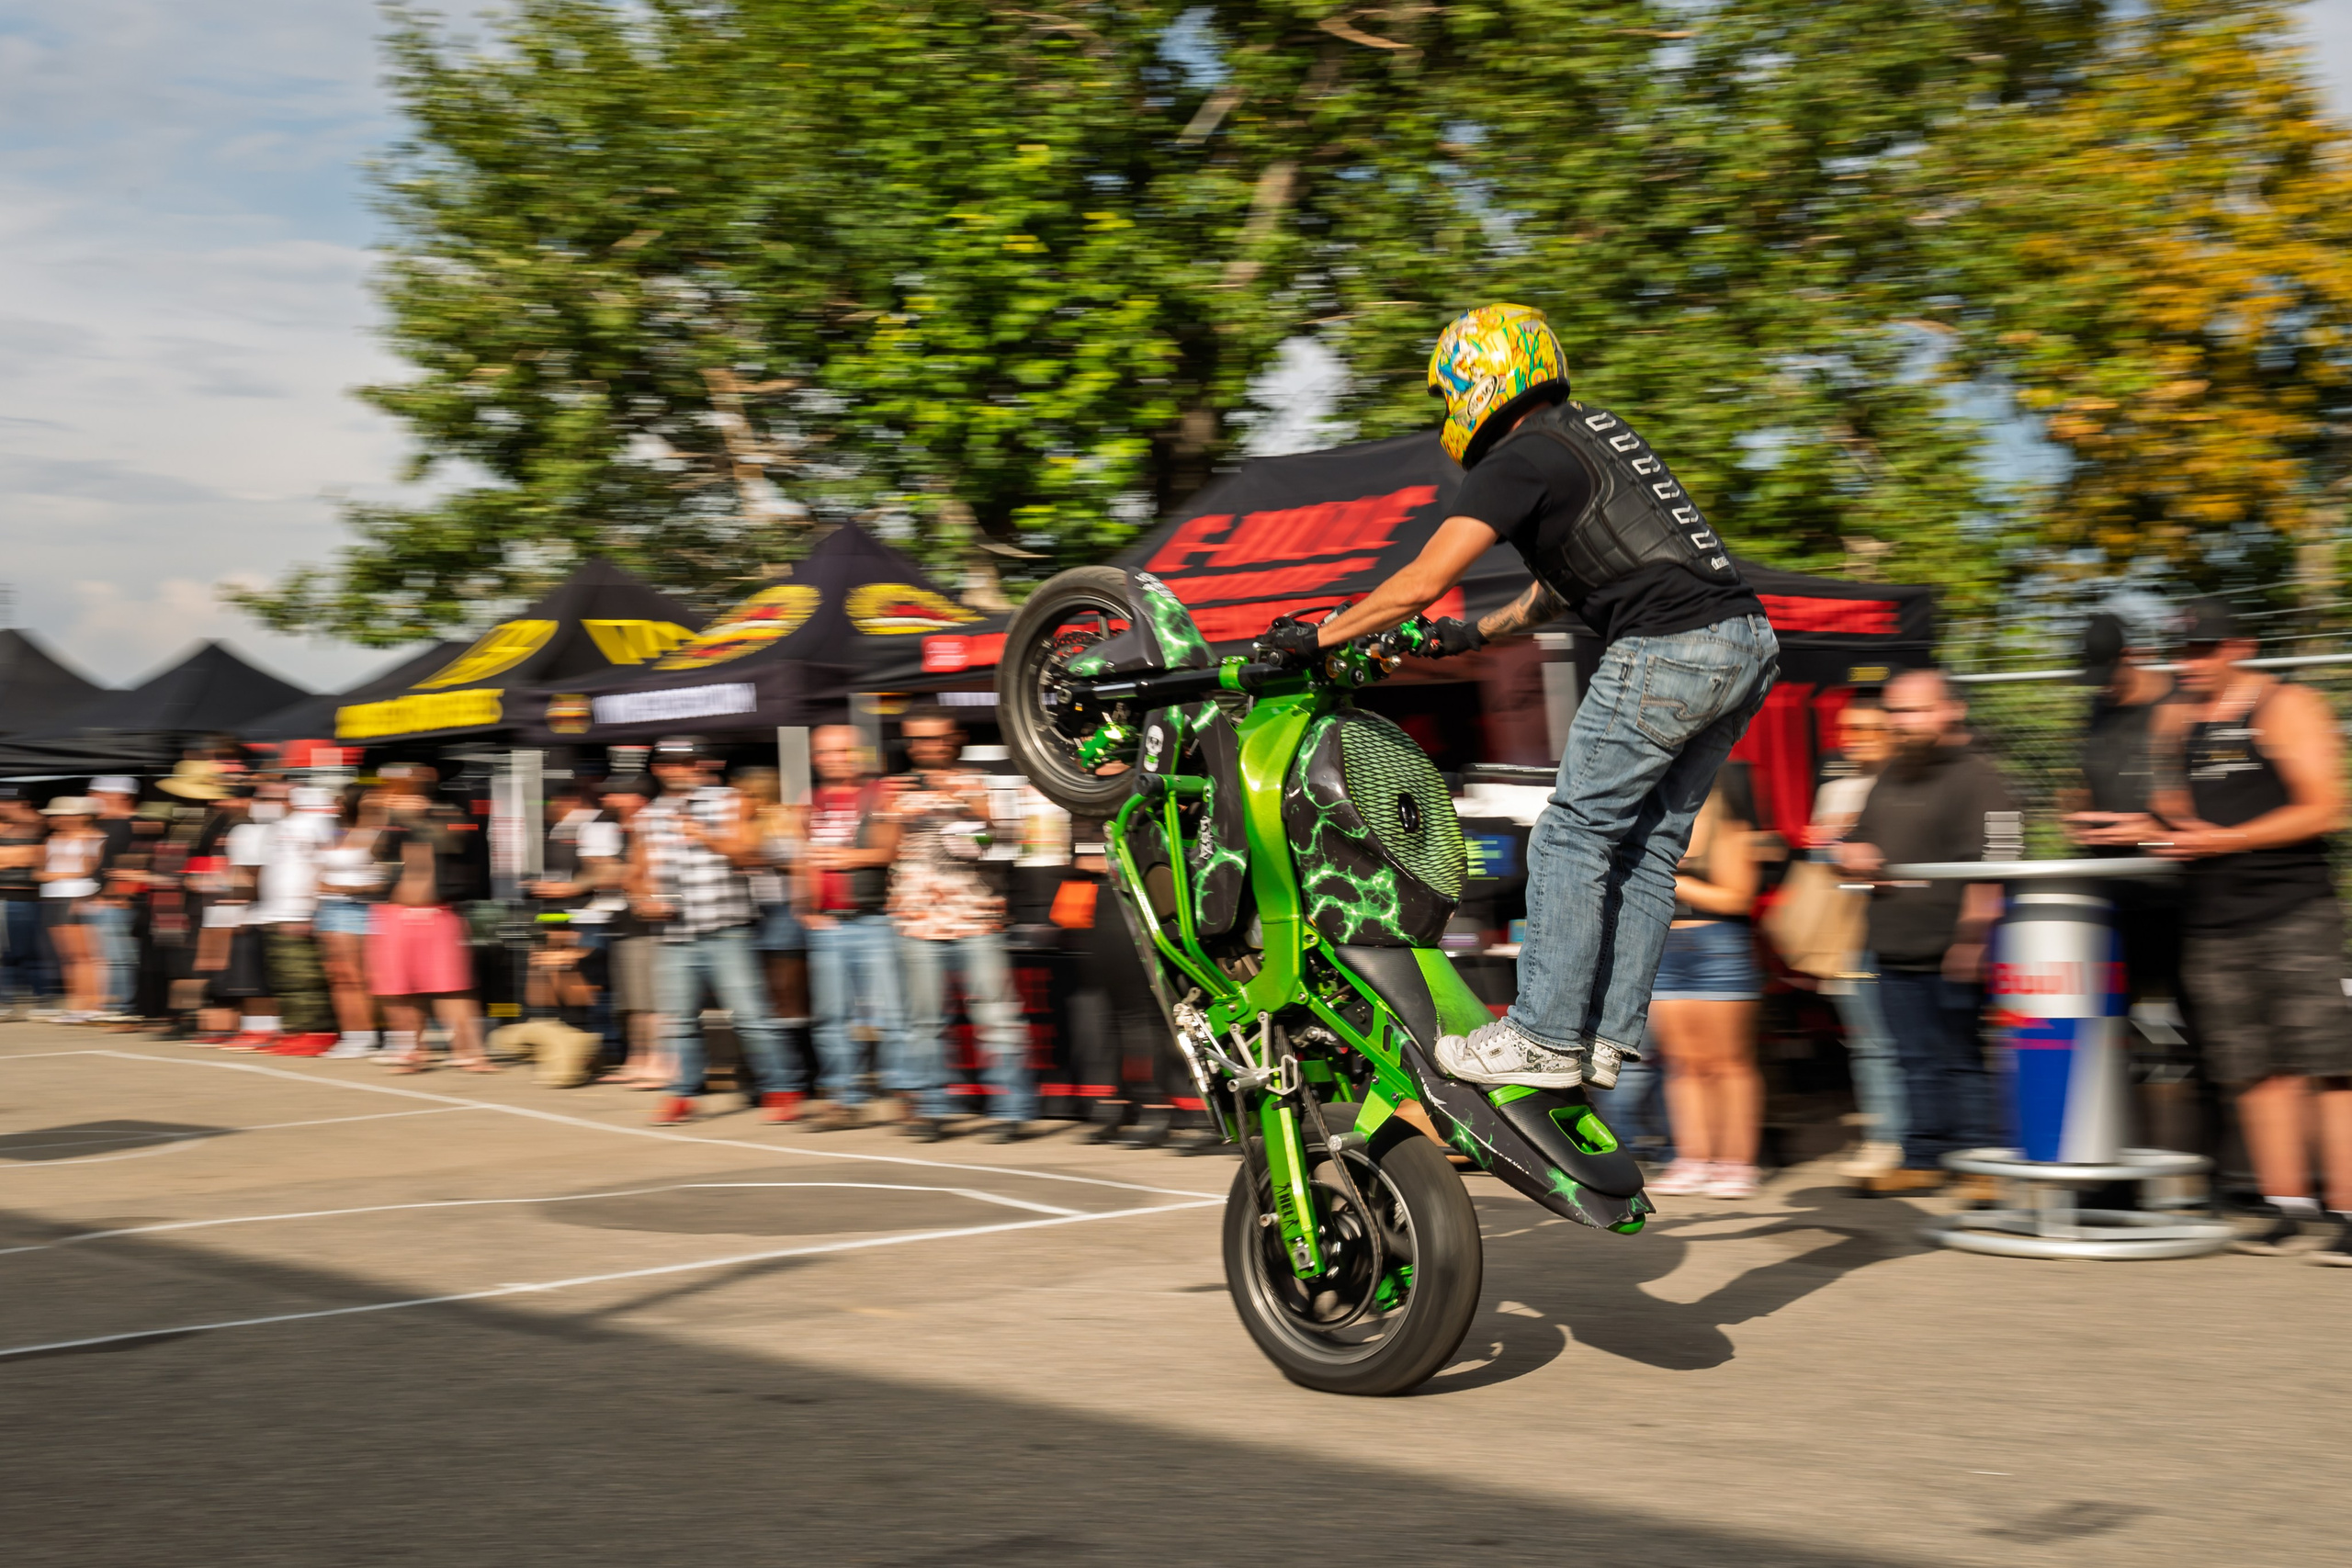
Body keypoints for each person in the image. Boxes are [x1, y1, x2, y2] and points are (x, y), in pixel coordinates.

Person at [1280, 303, 1777, 1091]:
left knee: (1570, 834)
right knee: (1646, 847)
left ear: (1480, 381)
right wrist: (1475, 634)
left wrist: (1319, 637)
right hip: (1743, 640)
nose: (1450, 414)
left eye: (1450, 396)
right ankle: (1606, 1038)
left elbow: (1418, 582)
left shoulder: (1515, 460)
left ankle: (1543, 1035)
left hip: (1667, 644)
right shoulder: (1591, 432)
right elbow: (1567, 582)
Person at [2077, 598, 2352, 1264]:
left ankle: (2346, 1209)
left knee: (2332, 1066)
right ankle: (2287, 1206)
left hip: (2295, 914)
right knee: (2254, 1072)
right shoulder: (2176, 718)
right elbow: (2176, 814)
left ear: (2239, 647)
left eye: (2204, 651)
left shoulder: (2286, 706)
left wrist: (2230, 839)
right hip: (2211, 920)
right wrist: (2141, 829)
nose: (2191, 664)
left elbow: (2327, 806)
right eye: (2183, 652)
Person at [1838, 670, 2019, 1194]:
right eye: (1895, 713)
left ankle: (1983, 1163)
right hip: (1893, 944)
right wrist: (1851, 856)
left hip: (1954, 946)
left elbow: (1998, 863)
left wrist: (1974, 938)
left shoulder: (1980, 777)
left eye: (1914, 711)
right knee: (1914, 1060)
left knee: (1963, 1059)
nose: (1901, 722)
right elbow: (1850, 846)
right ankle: (1924, 1157)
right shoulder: (1890, 775)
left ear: (1950, 710)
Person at [628, 736, 797, 1124]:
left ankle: (782, 1088)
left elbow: (747, 854)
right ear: (658, 769)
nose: (682, 770)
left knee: (753, 1016)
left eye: (690, 763)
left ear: (704, 765)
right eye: (671, 764)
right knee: (678, 1021)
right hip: (674, 935)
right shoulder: (649, 815)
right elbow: (636, 874)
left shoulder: (731, 801)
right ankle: (682, 1094)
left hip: (727, 930)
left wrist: (701, 833)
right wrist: (644, 900)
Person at [888, 709, 1035, 1144]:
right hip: (916, 922)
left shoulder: (983, 782)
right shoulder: (895, 790)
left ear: (955, 739)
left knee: (997, 1018)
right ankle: (934, 1108)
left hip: (976, 918)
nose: (927, 747)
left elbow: (1009, 840)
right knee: (925, 1023)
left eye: (936, 738)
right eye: (917, 739)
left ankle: (1012, 1109)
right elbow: (885, 850)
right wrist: (888, 818)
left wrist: (971, 805)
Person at [1643, 767, 1765, 1199]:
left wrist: (1676, 881)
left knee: (1727, 1063)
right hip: (1665, 949)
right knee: (1682, 1064)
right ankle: (1693, 1158)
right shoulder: (1654, 826)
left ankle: (1736, 1163)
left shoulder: (1725, 825)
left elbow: (1738, 896)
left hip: (1717, 949)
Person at [797, 725, 913, 1132]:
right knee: (831, 1018)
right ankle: (842, 1100)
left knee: (891, 1015)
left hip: (873, 919)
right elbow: (802, 856)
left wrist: (844, 858)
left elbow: (889, 850)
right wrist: (804, 906)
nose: (832, 759)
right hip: (829, 923)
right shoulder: (811, 802)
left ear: (857, 754)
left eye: (841, 751)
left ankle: (904, 1094)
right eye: (825, 752)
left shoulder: (878, 795)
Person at [1806, 701, 1905, 1179]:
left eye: (1869, 728)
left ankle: (1917, 1136)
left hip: (1910, 928)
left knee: (1915, 1039)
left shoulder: (1909, 783)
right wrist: (1829, 847)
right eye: (1848, 728)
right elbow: (1824, 859)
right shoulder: (1836, 789)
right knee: (1870, 1041)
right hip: (1850, 934)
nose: (1855, 737)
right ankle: (1886, 1138)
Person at [368, 762, 496, 1073]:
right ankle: (412, 1049)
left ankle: (470, 1052)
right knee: (397, 988)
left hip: (438, 912)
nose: (389, 787)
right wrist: (380, 817)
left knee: (452, 987)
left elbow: (453, 843)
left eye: (396, 780)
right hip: (394, 913)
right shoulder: (385, 816)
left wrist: (413, 815)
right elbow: (373, 852)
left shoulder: (447, 813)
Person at [734, 766, 816, 1118]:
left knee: (786, 999)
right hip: (749, 916)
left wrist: (760, 855)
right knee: (760, 1001)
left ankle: (798, 1076)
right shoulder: (742, 825)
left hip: (783, 913)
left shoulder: (784, 820)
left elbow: (800, 863)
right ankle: (769, 1075)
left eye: (742, 795)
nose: (735, 802)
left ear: (757, 794)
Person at [36, 797, 108, 1021]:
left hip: (78, 896)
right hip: (52, 897)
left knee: (85, 955)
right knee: (67, 956)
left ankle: (94, 1005)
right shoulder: (50, 839)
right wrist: (64, 873)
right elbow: (38, 873)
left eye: (63, 814)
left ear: (82, 817)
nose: (56, 819)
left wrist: (59, 874)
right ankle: (77, 1006)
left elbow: (91, 871)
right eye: (55, 815)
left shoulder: (96, 838)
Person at [85, 776, 143, 1022]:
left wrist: (117, 895)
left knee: (120, 956)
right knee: (104, 957)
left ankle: (123, 1005)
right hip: (98, 900)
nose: (91, 798)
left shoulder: (133, 824)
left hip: (117, 902)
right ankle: (110, 1003)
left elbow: (134, 862)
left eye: (98, 793)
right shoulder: (100, 824)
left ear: (120, 795)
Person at [0, 786, 55, 1019]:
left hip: (27, 898)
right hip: (7, 896)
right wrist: (16, 858)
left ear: (21, 804)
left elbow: (35, 857)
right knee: (5, 953)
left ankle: (41, 999)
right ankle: (6, 1001)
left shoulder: (39, 824)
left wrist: (12, 857)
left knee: (30, 951)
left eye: (5, 803)